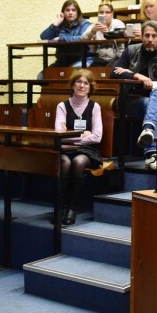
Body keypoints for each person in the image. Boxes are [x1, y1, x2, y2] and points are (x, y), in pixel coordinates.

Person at [111, 21, 157, 170]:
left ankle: (148, 135)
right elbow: (114, 72)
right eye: (147, 35)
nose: (150, 39)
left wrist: (137, 78)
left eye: (154, 36)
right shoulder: (131, 50)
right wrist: (138, 76)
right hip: (131, 101)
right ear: (142, 37)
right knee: (149, 104)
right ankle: (151, 150)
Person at [54, 69, 103, 225]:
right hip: (65, 149)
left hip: (87, 151)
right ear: (73, 85)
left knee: (78, 162)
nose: (82, 86)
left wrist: (71, 137)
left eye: (86, 83)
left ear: (90, 87)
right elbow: (59, 134)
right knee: (65, 162)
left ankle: (71, 208)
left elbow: (97, 136)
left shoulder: (95, 107)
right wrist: (83, 135)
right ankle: (59, 206)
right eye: (78, 82)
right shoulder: (62, 106)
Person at [40, 0, 91, 72]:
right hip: (62, 62)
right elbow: (44, 37)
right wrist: (57, 22)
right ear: (63, 13)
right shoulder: (60, 25)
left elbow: (82, 38)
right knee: (42, 77)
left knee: (69, 74)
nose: (70, 13)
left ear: (78, 13)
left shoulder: (85, 24)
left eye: (73, 10)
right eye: (67, 10)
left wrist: (61, 38)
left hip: (81, 60)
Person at [80, 0, 126, 66]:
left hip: (117, 58)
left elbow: (120, 36)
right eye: (101, 12)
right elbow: (82, 38)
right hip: (100, 59)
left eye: (107, 12)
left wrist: (109, 34)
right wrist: (92, 31)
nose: (104, 15)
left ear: (112, 14)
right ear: (98, 14)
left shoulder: (119, 24)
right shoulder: (95, 26)